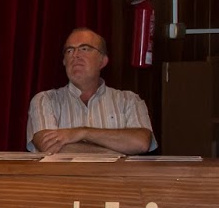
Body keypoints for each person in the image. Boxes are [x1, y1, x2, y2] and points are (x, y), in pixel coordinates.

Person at [27, 27, 156, 154]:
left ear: (102, 61)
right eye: (69, 50)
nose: (75, 55)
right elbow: (48, 147)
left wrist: (83, 132)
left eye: (84, 49)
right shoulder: (45, 100)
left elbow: (142, 143)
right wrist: (114, 152)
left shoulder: (129, 100)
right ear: (64, 62)